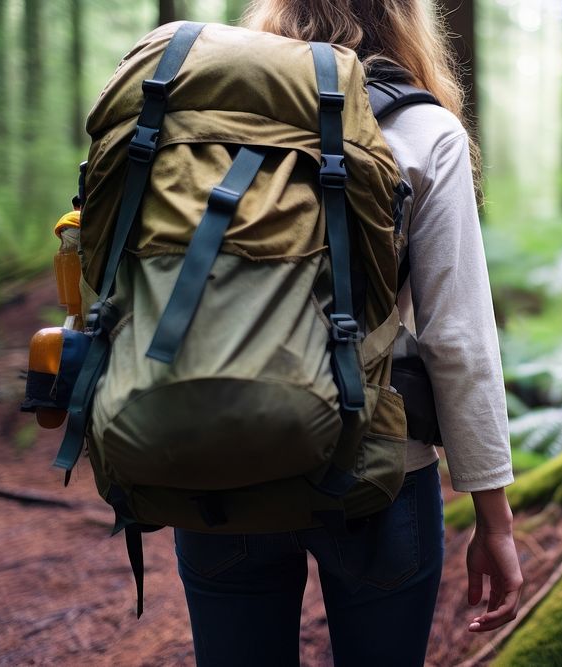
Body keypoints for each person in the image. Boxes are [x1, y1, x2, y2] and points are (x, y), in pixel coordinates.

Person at [173, 2, 523, 664]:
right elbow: (460, 340)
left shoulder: (203, 116)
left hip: (215, 457)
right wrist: (493, 515)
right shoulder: (422, 128)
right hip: (379, 470)